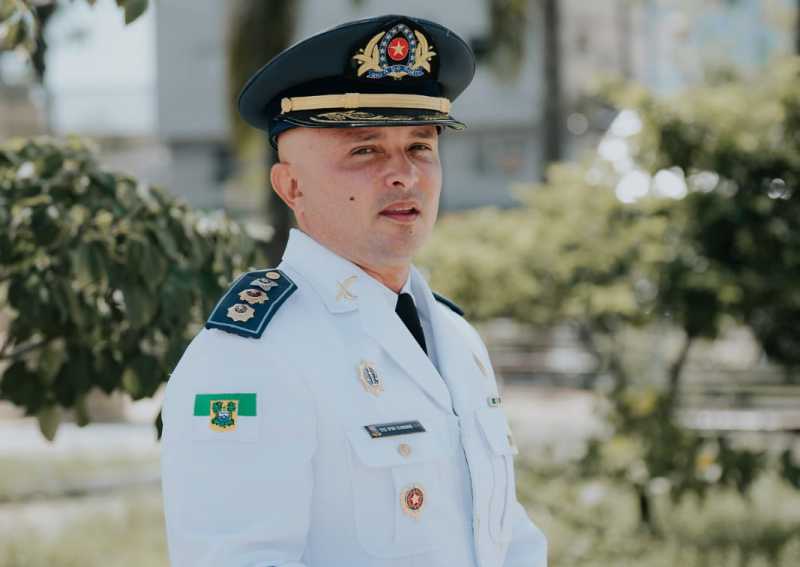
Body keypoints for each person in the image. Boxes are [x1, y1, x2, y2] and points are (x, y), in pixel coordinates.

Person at [160, 14, 547, 567]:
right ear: (291, 186)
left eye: (420, 146)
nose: (405, 175)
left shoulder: (455, 336)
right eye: (365, 150)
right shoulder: (251, 356)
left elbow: (505, 538)